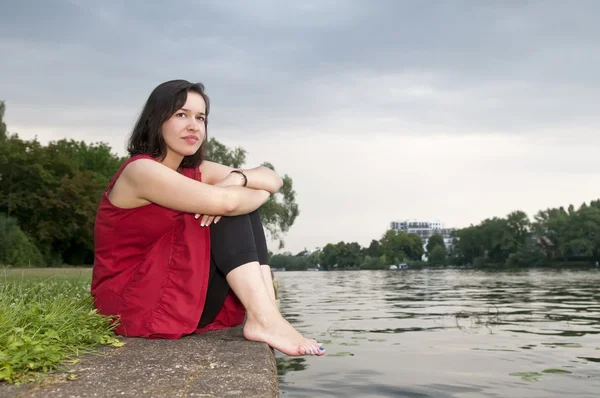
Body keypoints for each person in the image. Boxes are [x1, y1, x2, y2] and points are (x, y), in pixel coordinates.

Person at [91, 79, 324, 357]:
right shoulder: (140, 171)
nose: (193, 126)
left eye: (200, 118)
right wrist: (244, 193)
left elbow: (273, 178)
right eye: (181, 115)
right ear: (155, 121)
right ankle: (266, 318)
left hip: (173, 294)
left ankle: (268, 313)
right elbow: (227, 202)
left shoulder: (194, 170)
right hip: (132, 303)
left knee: (234, 201)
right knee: (228, 206)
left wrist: (239, 178)